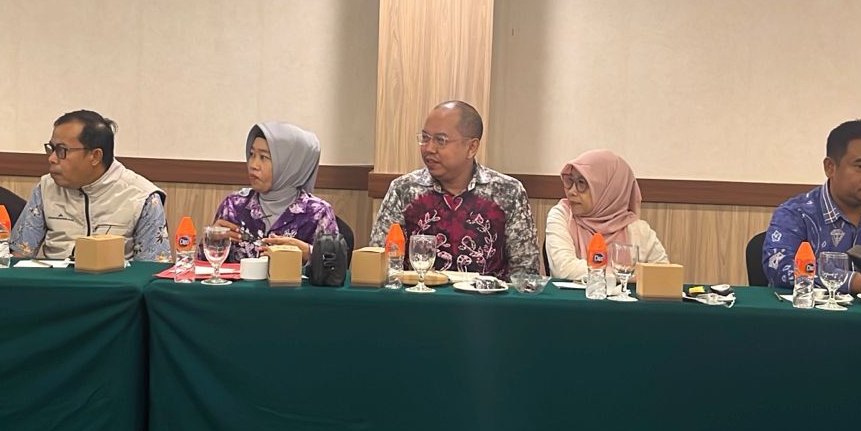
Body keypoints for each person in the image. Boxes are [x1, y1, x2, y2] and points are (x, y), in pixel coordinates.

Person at [368, 100, 539, 280]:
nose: (429, 148)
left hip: (486, 297)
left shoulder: (508, 192)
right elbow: (380, 263)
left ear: (471, 147)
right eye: (425, 138)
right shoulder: (404, 190)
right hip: (419, 295)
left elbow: (525, 271)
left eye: (440, 140)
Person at [762, 119, 861, 293]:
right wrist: (856, 283)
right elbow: (780, 268)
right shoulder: (795, 214)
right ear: (830, 167)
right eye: (860, 166)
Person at [8, 110, 170, 262]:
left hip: (114, 281)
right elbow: (19, 256)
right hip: (54, 280)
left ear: (95, 156)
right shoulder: (45, 188)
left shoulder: (142, 196)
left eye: (62, 150)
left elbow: (152, 268)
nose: (52, 158)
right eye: (51, 149)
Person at [212, 122, 339, 261]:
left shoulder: (317, 213)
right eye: (252, 154)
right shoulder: (233, 206)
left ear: (290, 165)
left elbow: (335, 267)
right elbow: (204, 265)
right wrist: (213, 240)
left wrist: (309, 254)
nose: (253, 165)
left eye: (263, 157)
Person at [545, 149, 668, 280]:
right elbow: (564, 269)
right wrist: (628, 274)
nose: (572, 191)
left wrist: (616, 274)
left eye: (581, 183)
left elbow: (664, 274)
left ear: (609, 190)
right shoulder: (562, 215)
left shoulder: (638, 230)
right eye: (570, 181)